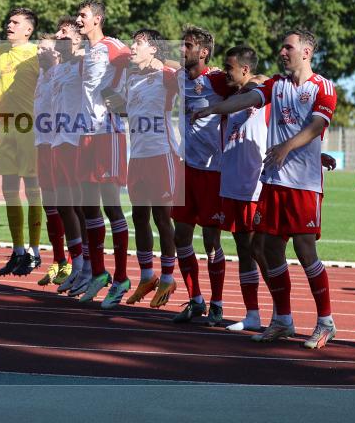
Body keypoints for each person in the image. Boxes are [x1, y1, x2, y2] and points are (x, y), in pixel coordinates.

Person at [193, 29, 338, 349]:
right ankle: (283, 319)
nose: (282, 52)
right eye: (282, 47)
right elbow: (249, 98)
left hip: (303, 184)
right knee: (267, 249)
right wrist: (213, 109)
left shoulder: (323, 86)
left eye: (289, 47)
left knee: (304, 251)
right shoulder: (277, 84)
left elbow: (317, 125)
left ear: (307, 52)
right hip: (272, 181)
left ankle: (326, 320)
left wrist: (286, 146)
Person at [112, 29, 180, 310]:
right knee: (139, 217)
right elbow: (129, 110)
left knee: (163, 219)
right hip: (137, 156)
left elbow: (188, 74)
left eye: (138, 44)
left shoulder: (168, 75)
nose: (132, 48)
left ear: (154, 49)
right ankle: (147, 276)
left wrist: (171, 65)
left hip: (161, 154)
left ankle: (167, 277)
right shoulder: (132, 78)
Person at [172, 26, 235, 325]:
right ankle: (195, 299)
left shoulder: (218, 79)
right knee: (180, 236)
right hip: (186, 169)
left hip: (213, 171)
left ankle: (218, 303)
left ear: (203, 52)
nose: (181, 50)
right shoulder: (178, 78)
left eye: (187, 45)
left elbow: (253, 87)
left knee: (211, 241)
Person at [74, 0, 132, 304]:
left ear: (97, 19)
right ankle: (98, 273)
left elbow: (143, 65)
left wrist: (121, 101)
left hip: (108, 134)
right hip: (86, 135)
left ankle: (121, 278)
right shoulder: (87, 54)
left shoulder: (114, 46)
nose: (78, 19)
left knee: (111, 206)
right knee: (87, 206)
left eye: (82, 16)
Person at [216, 46, 270, 331]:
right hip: (232, 184)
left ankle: (280, 313)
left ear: (245, 70)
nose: (225, 72)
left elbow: (284, 125)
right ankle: (252, 313)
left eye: (230, 68)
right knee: (243, 250)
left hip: (253, 186)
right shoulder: (232, 97)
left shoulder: (262, 94)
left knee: (259, 250)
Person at [0, 8, 43, 276]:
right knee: (9, 189)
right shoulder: (0, 51)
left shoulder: (37, 54)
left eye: (15, 22)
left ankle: (35, 252)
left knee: (33, 189)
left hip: (29, 129)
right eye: (8, 21)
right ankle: (18, 251)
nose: (9, 25)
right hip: (6, 129)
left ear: (28, 29)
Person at [51, 17, 89, 293]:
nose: (57, 35)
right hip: (57, 141)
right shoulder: (59, 67)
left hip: (78, 143)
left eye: (63, 32)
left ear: (76, 38)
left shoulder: (85, 61)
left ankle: (90, 267)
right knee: (64, 206)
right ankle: (77, 265)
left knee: (81, 207)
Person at [32, 34, 71, 286]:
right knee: (50, 207)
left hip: (60, 145)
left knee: (69, 207)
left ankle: (73, 261)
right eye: (37, 49)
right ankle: (58, 260)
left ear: (56, 52)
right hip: (41, 145)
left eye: (44, 49)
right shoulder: (41, 76)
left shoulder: (61, 74)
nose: (39, 53)